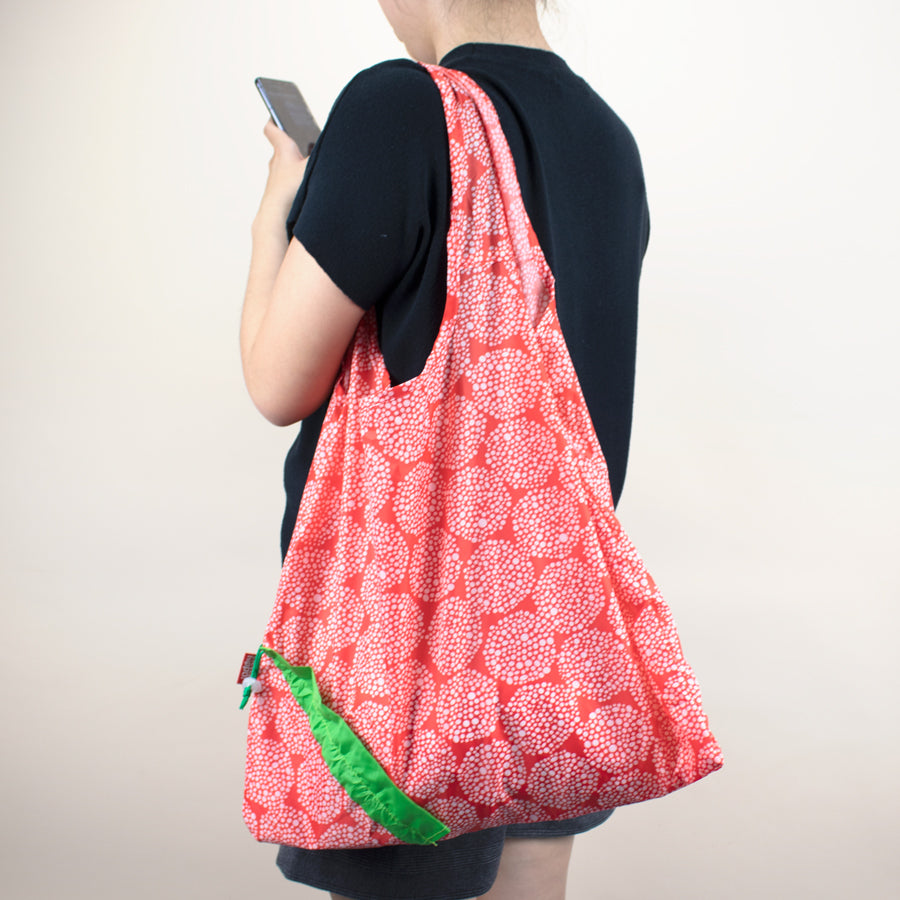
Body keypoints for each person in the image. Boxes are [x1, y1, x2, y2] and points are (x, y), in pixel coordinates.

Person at [240, 1, 650, 898]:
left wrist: (280, 207)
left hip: (410, 658)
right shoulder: (607, 140)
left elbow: (277, 381)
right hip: (553, 647)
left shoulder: (398, 109)